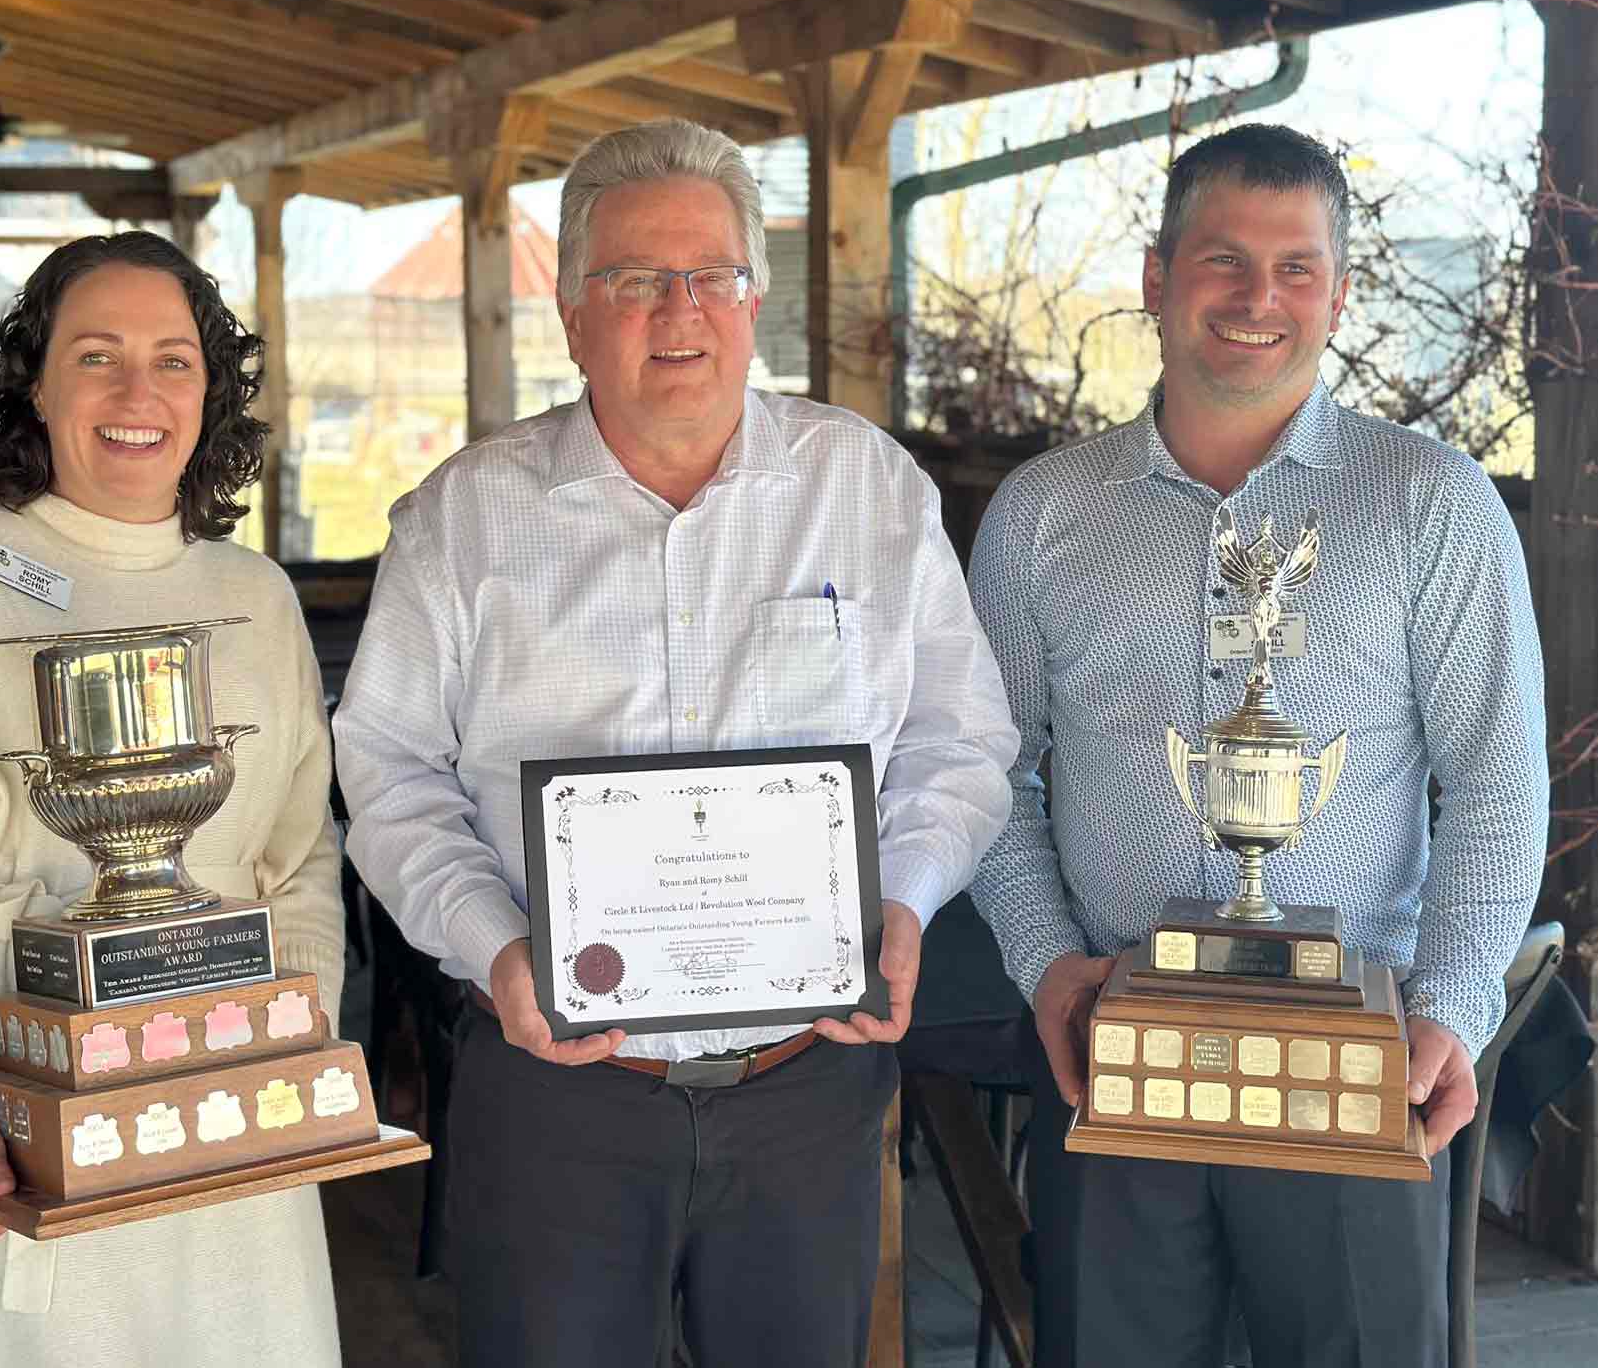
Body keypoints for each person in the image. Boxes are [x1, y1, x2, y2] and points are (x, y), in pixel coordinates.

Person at [332, 118, 1019, 1368]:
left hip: (808, 1086)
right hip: (557, 1094)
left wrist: (904, 901)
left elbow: (958, 739)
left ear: (753, 298)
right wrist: (493, 948)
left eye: (710, 274)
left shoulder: (866, 491)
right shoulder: (464, 521)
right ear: (571, 309)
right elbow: (384, 769)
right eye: (635, 278)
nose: (677, 309)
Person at [967, 122, 1550, 1368]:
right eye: (1221, 259)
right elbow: (988, 775)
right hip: (1114, 1047)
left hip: (1355, 1063)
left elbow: (1496, 781)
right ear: (1154, 276)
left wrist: (1448, 1004)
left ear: (1337, 294)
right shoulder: (1039, 516)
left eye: (1295, 267)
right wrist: (1045, 964)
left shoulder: (1426, 501)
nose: (1256, 298)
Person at [0, 231, 348, 1367]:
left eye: (173, 360)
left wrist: (292, 1043)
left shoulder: (254, 596)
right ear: (37, 384)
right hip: (20, 1141)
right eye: (96, 355)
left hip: (229, 1128)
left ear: (210, 393)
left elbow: (301, 859)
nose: (136, 393)